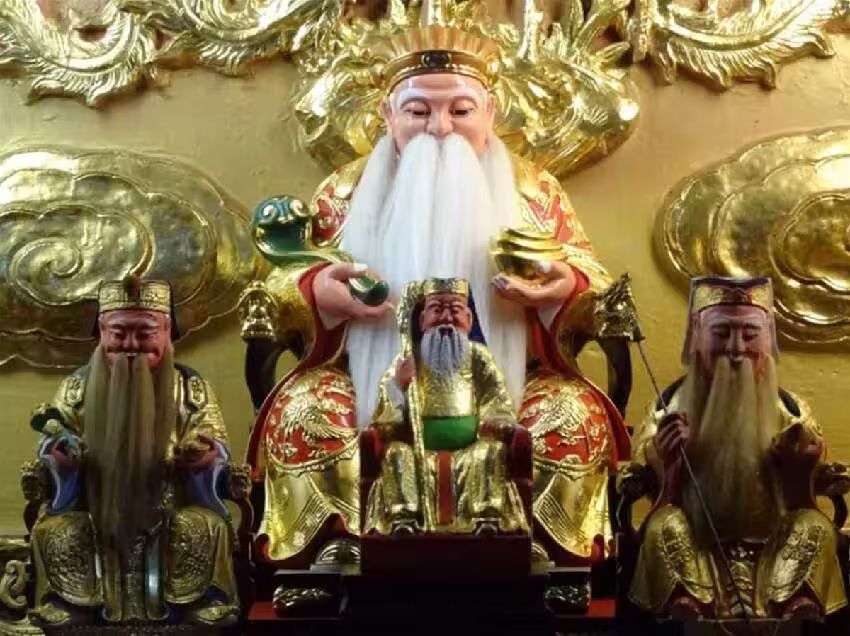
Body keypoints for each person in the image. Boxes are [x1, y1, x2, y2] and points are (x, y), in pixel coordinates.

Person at [244, 0, 630, 567]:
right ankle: (338, 547)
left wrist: (561, 290)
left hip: (507, 386)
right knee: (304, 410)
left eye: (460, 110)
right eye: (419, 111)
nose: (440, 128)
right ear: (388, 113)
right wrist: (317, 294)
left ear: (490, 112)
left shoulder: (534, 192)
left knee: (570, 416)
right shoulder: (345, 193)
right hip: (372, 384)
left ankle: (538, 551)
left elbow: (593, 281)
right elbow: (282, 283)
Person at [629, 277, 847, 619]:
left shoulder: (792, 412)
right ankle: (690, 606)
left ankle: (793, 605)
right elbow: (650, 489)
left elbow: (806, 499)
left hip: (775, 550)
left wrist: (800, 471)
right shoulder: (667, 410)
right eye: (721, 332)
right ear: (696, 335)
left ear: (768, 337)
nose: (736, 348)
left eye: (749, 333)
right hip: (698, 547)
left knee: (814, 527)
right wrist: (669, 464)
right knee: (664, 527)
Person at [29, 277, 239, 626]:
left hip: (170, 506)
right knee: (55, 531)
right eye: (119, 333)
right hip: (94, 507)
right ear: (101, 331)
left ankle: (198, 602)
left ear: (167, 331)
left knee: (208, 526)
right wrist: (62, 457)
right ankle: (70, 604)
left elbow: (214, 443)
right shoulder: (75, 388)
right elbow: (53, 440)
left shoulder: (192, 389)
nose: (131, 345)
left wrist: (202, 457)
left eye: (144, 334)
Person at [364, 278, 527, 536]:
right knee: (396, 454)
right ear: (422, 320)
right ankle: (404, 519)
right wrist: (398, 385)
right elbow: (385, 420)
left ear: (469, 319)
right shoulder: (409, 358)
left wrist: (494, 422)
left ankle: (486, 518)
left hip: (470, 452)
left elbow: (496, 397)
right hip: (420, 454)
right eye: (437, 309)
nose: (446, 318)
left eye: (455, 310)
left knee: (491, 452)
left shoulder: (478, 356)